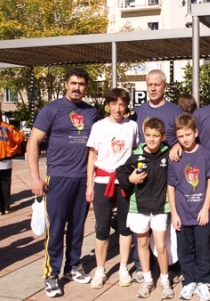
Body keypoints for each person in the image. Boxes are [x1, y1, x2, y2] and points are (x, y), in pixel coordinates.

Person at [26, 68, 101, 298]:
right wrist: (35, 177)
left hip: (82, 179)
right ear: (66, 84)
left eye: (81, 84)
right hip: (57, 178)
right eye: (73, 83)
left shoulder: (92, 113)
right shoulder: (51, 110)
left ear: (86, 87)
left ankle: (73, 266)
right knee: (56, 229)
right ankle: (51, 275)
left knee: (78, 227)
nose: (77, 87)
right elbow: (33, 143)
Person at [85, 88, 139, 289]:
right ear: (108, 105)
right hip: (102, 180)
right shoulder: (98, 127)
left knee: (125, 226)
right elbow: (91, 157)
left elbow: (136, 152)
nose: (118, 108)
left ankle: (124, 267)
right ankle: (100, 269)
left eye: (122, 104)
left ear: (126, 106)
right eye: (114, 104)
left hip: (124, 181)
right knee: (102, 226)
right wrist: (89, 184)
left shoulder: (132, 126)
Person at [116, 118, 174, 299]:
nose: (151, 139)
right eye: (148, 135)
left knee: (161, 245)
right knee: (141, 243)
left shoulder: (168, 153)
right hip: (139, 207)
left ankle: (165, 280)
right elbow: (121, 172)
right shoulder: (137, 154)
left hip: (160, 207)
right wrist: (130, 180)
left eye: (156, 136)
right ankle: (148, 280)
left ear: (162, 136)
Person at [167, 113, 210, 301]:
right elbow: (171, 186)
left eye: (188, 134)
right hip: (182, 212)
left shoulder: (205, 153)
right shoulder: (175, 157)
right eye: (180, 136)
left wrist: (205, 208)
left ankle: (204, 281)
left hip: (200, 212)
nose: (185, 139)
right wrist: (174, 213)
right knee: (184, 249)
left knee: (203, 247)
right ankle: (189, 281)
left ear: (195, 132)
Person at [135, 69, 183, 147]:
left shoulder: (176, 113)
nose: (153, 89)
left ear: (165, 86)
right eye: (150, 85)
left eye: (156, 85)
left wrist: (179, 145)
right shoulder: (138, 112)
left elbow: (186, 139)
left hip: (168, 158)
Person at [0, 103, 25, 215]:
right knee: (5, 183)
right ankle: (6, 207)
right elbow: (19, 138)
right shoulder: (8, 127)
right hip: (6, 160)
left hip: (5, 160)